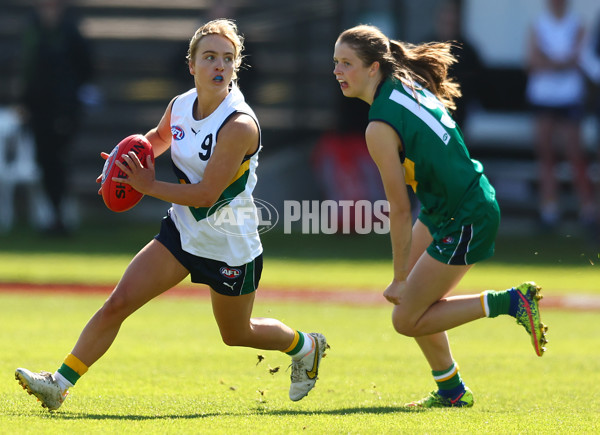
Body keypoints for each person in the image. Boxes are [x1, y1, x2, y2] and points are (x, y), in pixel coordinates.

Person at [15, 19, 327, 411]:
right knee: (119, 302)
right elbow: (159, 139)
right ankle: (58, 383)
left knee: (236, 333)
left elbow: (206, 193)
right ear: (191, 64)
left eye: (228, 59)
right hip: (182, 231)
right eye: (210, 57)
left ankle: (306, 345)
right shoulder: (180, 105)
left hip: (230, 243)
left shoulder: (239, 125)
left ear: (236, 66)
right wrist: (124, 163)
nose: (219, 66)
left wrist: (144, 185)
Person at [332, 24, 548, 408]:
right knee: (411, 307)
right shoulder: (403, 86)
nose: (338, 71)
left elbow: (398, 210)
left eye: (347, 63)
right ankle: (451, 391)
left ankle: (511, 302)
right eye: (336, 63)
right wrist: (402, 282)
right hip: (447, 209)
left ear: (373, 68)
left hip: (466, 214)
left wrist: (400, 278)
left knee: (405, 319)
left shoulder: (379, 126)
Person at [18, 0, 93, 235]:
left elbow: (85, 69)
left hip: (63, 109)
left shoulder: (70, 33)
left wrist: (69, 102)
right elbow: (28, 71)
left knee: (60, 163)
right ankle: (51, 215)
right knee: (45, 163)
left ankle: (62, 216)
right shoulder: (34, 32)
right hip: (39, 110)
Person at [526, 0, 596, 232]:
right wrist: (559, 62)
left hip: (569, 97)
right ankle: (549, 210)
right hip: (543, 97)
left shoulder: (577, 24)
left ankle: (588, 210)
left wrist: (551, 61)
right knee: (546, 154)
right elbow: (532, 60)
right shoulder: (538, 24)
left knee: (574, 153)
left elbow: (578, 58)